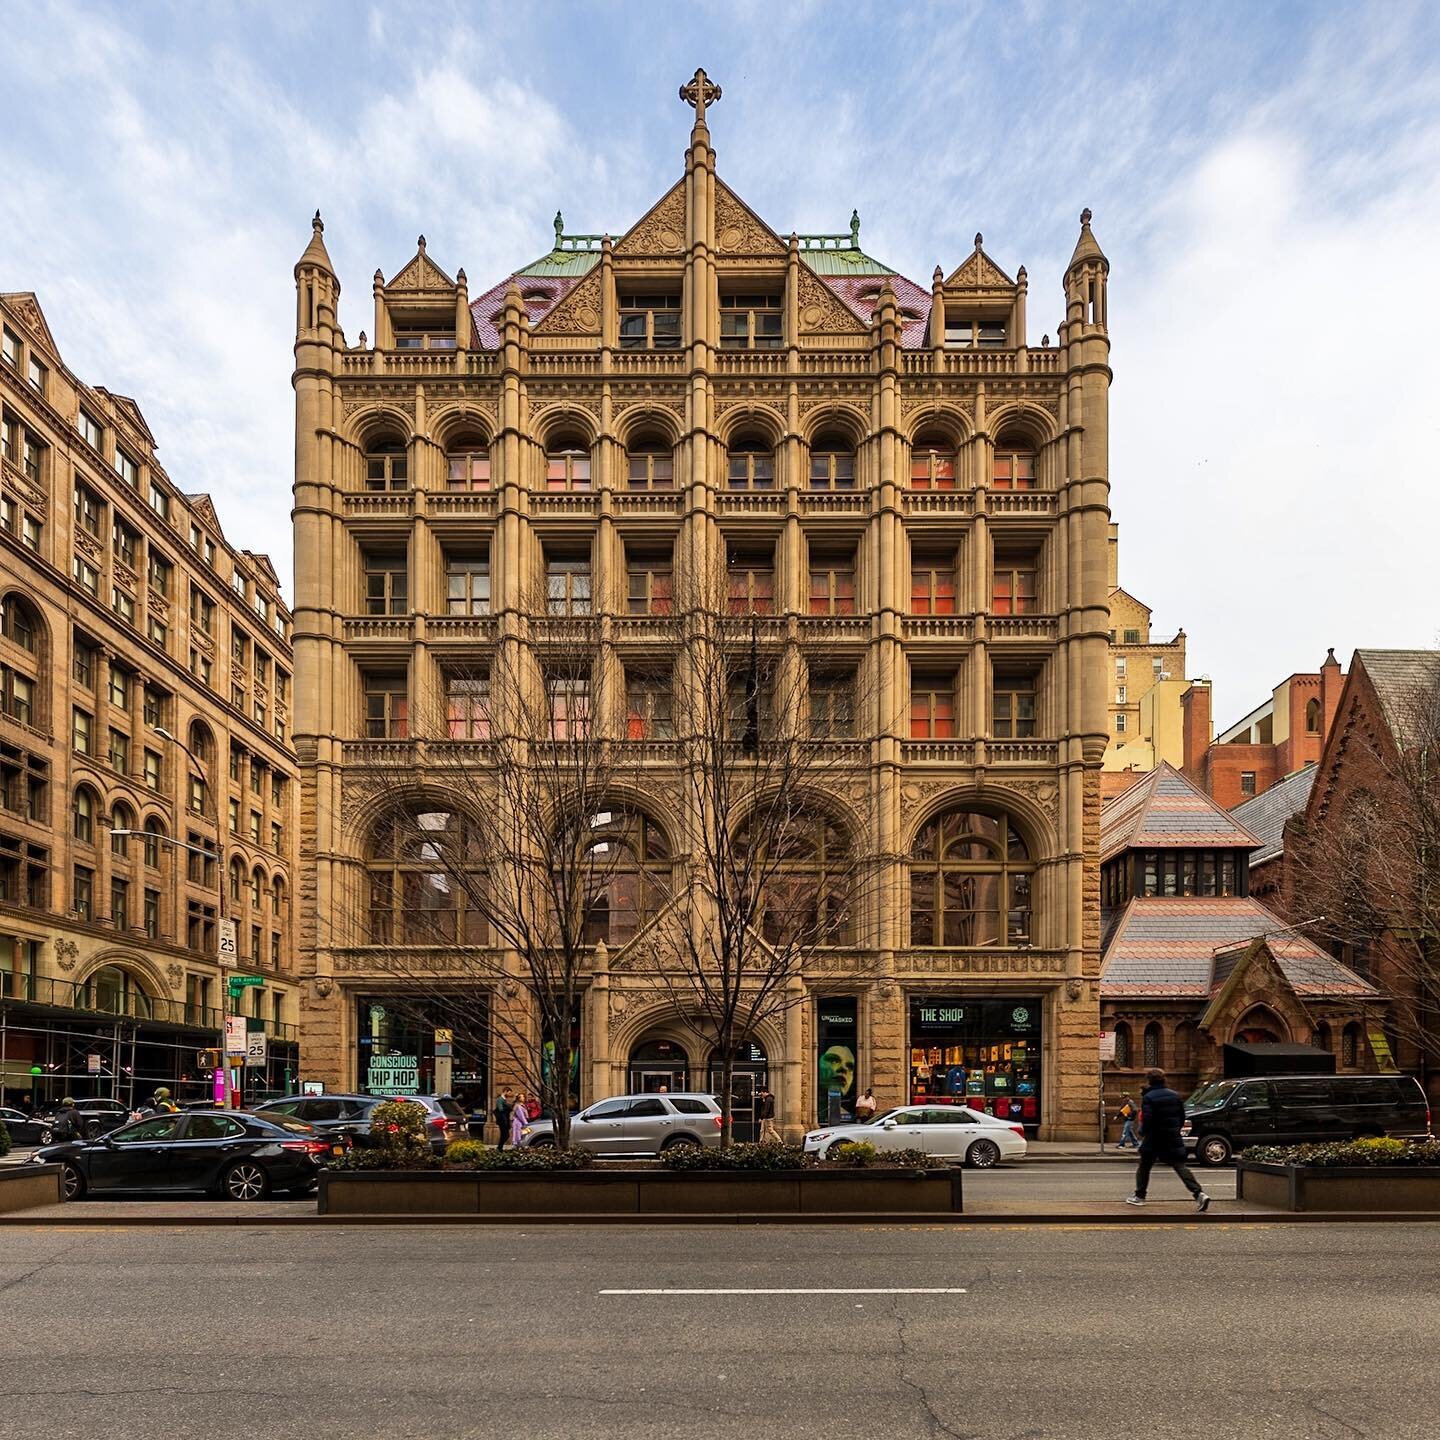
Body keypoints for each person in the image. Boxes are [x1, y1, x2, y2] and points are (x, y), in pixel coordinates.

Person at [1127, 1068, 1209, 1212]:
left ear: (1149, 1081)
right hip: (1171, 1137)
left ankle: (1140, 1196)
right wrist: (1175, 1130)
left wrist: (1142, 1132)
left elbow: (1148, 1119)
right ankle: (1199, 1194)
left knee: (1144, 1166)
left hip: (1154, 1138)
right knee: (1179, 1165)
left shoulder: (1149, 1097)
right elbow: (1182, 1116)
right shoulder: (1175, 1095)